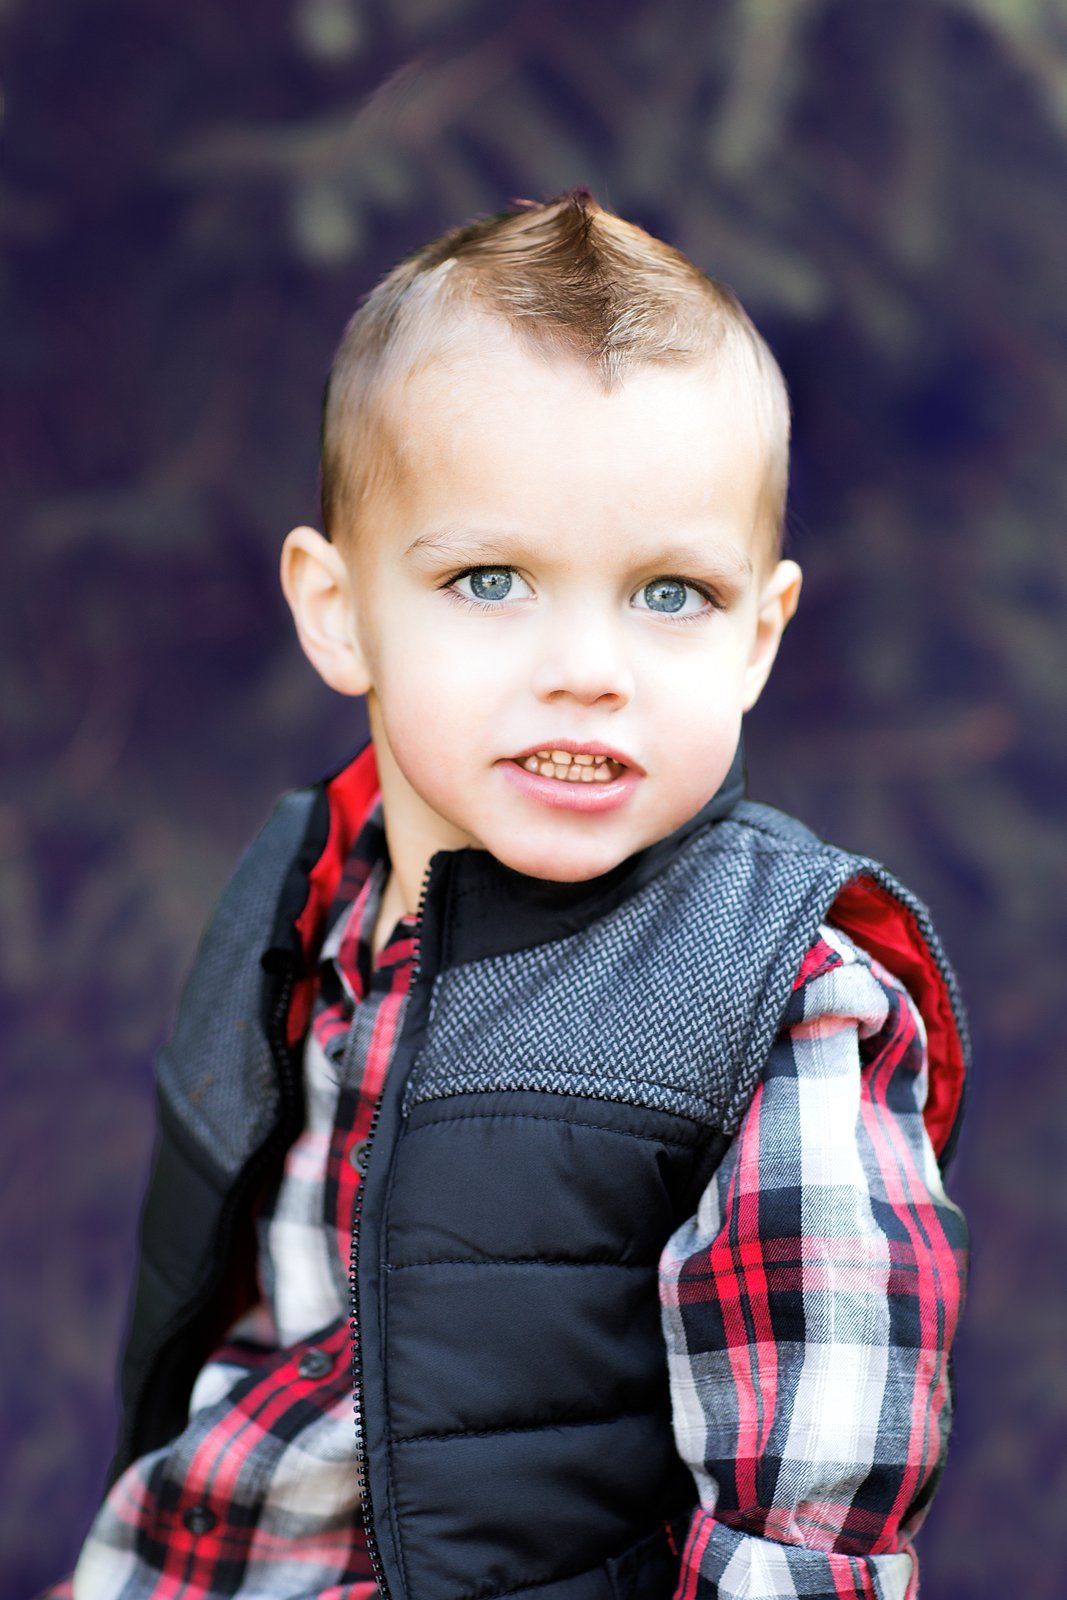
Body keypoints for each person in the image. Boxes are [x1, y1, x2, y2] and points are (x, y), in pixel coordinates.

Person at [46, 187, 970, 1600]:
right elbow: (227, 1328)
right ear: (339, 610)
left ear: (758, 636)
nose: (587, 669)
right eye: (492, 580)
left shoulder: (782, 999)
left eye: (671, 594)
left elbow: (809, 1522)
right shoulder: (302, 898)